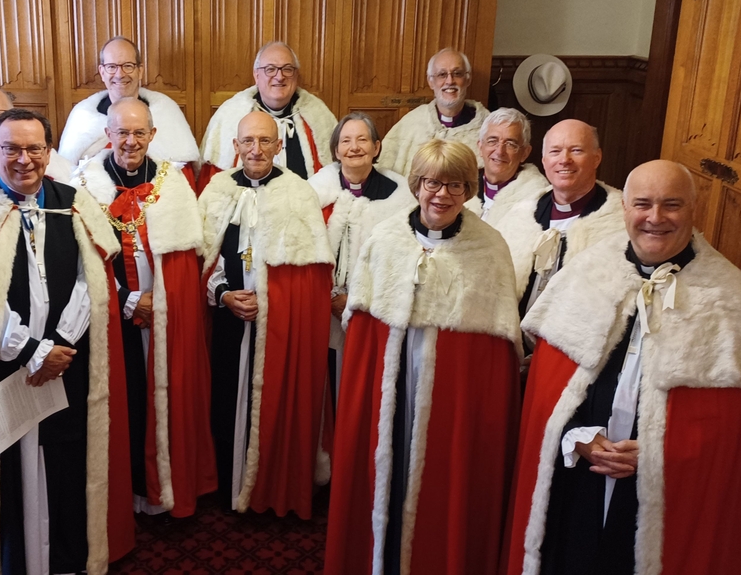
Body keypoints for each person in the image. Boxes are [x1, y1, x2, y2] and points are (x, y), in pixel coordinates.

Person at [503, 160, 741, 575]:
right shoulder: (585, 276)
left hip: (672, 503)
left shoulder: (731, 300)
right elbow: (546, 395)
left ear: (693, 209)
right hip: (577, 481)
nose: (655, 218)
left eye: (671, 205)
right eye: (643, 204)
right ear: (624, 208)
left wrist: (661, 454)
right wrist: (575, 437)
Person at [0, 109, 134, 575]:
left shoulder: (75, 203)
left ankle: (64, 558)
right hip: (5, 366)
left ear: (48, 151)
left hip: (70, 363)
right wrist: (31, 350)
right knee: (10, 467)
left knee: (66, 459)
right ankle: (16, 561)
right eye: (12, 149)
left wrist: (59, 344)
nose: (24, 160)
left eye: (35, 148)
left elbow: (94, 281)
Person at [325, 139, 522, 575]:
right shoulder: (386, 238)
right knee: (385, 469)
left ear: (470, 189)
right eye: (433, 182)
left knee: (440, 486)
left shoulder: (489, 248)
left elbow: (495, 354)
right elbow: (363, 335)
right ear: (417, 184)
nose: (442, 194)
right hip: (389, 384)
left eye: (455, 184)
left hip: (452, 399)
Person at [73, 97, 216, 518]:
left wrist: (167, 301)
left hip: (166, 318)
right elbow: (82, 260)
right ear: (108, 135)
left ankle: (167, 487)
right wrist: (128, 298)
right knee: (125, 401)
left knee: (166, 397)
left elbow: (186, 262)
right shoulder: (87, 183)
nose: (130, 141)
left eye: (139, 133)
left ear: (153, 136)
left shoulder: (174, 184)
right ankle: (129, 494)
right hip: (112, 316)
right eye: (122, 132)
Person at [201, 111, 334, 518]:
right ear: (236, 146)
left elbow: (309, 277)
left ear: (279, 146)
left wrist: (274, 301)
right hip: (225, 320)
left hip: (278, 327)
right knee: (223, 401)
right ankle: (228, 484)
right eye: (247, 142)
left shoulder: (298, 192)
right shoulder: (217, 188)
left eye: (264, 141)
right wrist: (223, 294)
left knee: (272, 405)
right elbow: (200, 259)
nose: (255, 150)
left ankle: (269, 486)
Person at [307, 112, 414, 399]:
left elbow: (400, 262)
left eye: (362, 140)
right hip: (323, 309)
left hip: (373, 310)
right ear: (336, 150)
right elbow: (306, 252)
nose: (354, 147)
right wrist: (331, 297)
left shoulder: (399, 198)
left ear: (376, 147)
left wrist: (357, 300)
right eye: (346, 141)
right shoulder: (314, 193)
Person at [490, 119, 624, 317]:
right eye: (555, 151)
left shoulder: (619, 221)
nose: (564, 160)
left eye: (576, 150)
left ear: (597, 158)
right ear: (544, 160)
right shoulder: (520, 215)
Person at [58, 36, 200, 187]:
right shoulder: (82, 116)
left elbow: (183, 182)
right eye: (112, 66)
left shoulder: (167, 112)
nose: (120, 74)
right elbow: (66, 180)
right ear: (102, 72)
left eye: (128, 66)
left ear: (140, 71)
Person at [199, 41, 338, 189]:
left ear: (296, 75)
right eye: (270, 69)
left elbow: (334, 178)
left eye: (287, 69)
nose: (279, 76)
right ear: (256, 75)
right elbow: (212, 183)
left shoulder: (318, 117)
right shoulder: (229, 116)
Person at [378, 48, 489, 175]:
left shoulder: (488, 128)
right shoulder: (411, 123)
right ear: (431, 82)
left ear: (468, 79)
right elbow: (384, 170)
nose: (449, 81)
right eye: (442, 74)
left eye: (457, 73)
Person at [465, 107, 547, 222]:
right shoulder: (463, 187)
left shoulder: (537, 199)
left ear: (524, 153)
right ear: (480, 147)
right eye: (492, 141)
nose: (499, 151)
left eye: (510, 144)